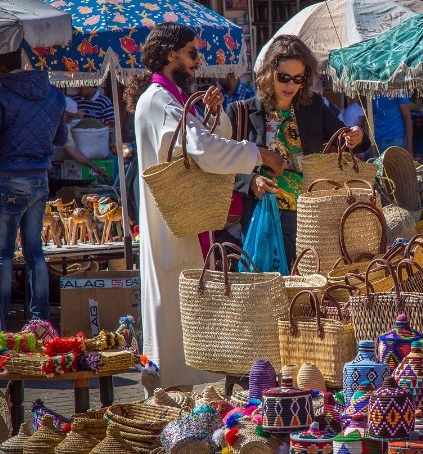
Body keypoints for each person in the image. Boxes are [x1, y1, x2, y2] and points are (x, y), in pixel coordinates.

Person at [124, 23, 285, 393]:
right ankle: (166, 396)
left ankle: (177, 393)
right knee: (172, 310)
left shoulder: (174, 100)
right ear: (171, 57)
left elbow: (207, 140)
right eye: (193, 54)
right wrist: (257, 153)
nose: (198, 63)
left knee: (183, 307)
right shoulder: (158, 100)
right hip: (172, 223)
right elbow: (203, 151)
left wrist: (215, 115)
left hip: (184, 220)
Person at [227, 34, 369, 268]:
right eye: (283, 77)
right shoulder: (240, 112)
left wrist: (357, 136)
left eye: (298, 78)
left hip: (311, 218)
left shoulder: (313, 106)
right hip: (263, 216)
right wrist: (251, 181)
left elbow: (345, 138)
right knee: (269, 288)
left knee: (307, 287)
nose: (290, 85)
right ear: (268, 73)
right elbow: (222, 165)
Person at [0, 50, 68, 322]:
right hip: (40, 180)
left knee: (3, 255)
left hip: (10, 180)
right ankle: (42, 322)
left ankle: (0, 323)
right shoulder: (54, 94)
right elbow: (60, 138)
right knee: (35, 251)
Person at [62, 97, 108, 179]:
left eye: (72, 117)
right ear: (61, 112)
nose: (70, 121)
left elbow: (71, 149)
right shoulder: (48, 121)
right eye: (68, 117)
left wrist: (93, 166)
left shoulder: (63, 127)